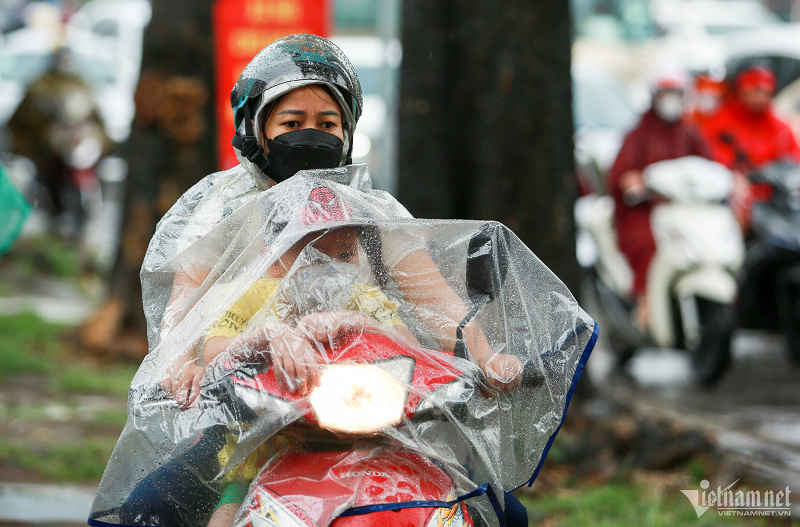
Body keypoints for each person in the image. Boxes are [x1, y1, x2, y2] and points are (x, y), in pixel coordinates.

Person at [608, 72, 711, 327]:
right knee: (648, 243)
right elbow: (622, 173)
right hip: (645, 210)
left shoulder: (689, 133)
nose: (671, 101)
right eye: (666, 95)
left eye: (676, 95)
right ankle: (646, 301)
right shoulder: (638, 134)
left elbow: (710, 165)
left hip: (683, 209)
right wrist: (633, 181)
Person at [700, 66, 800, 230]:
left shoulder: (777, 125)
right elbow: (711, 156)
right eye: (755, 90)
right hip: (735, 195)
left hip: (775, 197)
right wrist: (732, 177)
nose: (760, 97)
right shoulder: (722, 121)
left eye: (765, 92)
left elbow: (794, 158)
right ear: (742, 90)